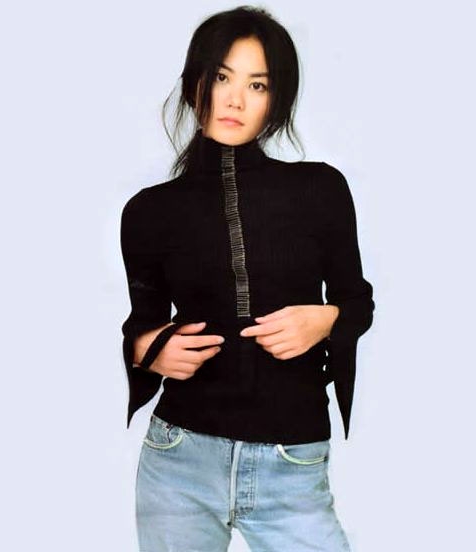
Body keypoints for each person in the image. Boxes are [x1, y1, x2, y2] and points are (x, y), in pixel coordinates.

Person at [120, 6, 375, 552]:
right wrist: (148, 349)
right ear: (196, 85)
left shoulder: (321, 190)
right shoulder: (147, 212)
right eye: (222, 77)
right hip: (178, 460)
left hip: (292, 463)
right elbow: (141, 324)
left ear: (275, 98)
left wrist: (325, 320)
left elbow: (357, 301)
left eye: (256, 84)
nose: (235, 100)